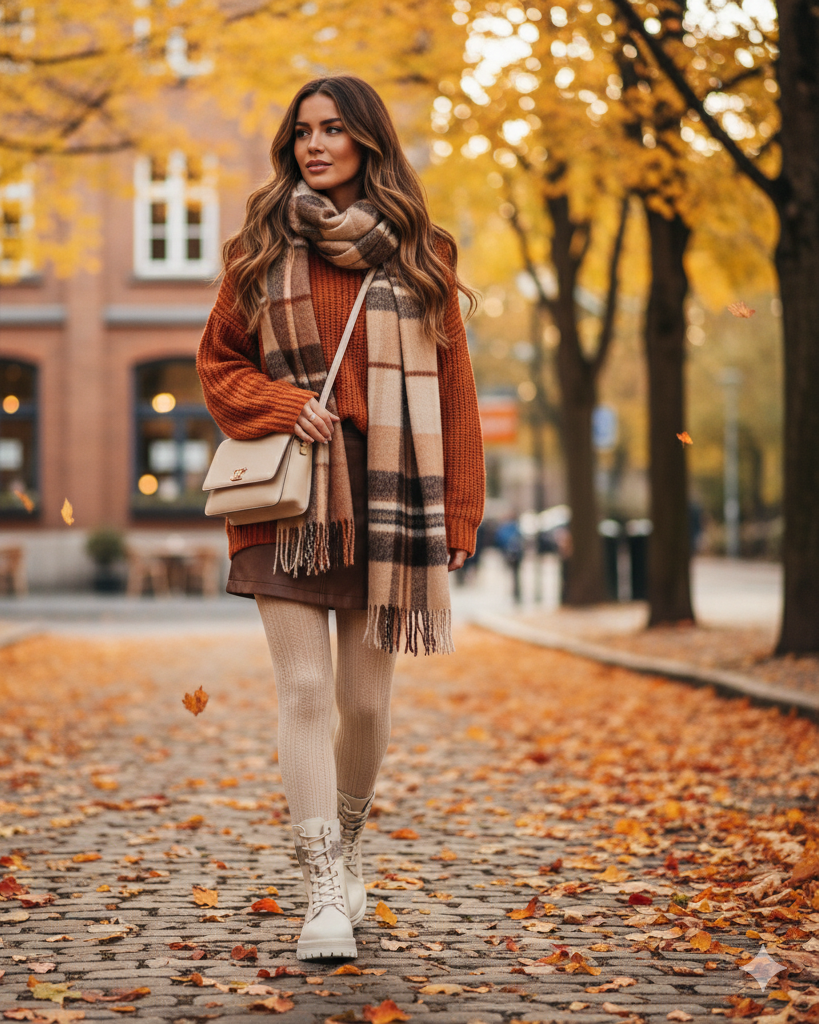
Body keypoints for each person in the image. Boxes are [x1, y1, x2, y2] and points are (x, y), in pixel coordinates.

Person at [197, 75, 485, 961]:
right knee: (307, 691)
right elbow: (216, 365)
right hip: (286, 494)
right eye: (303, 131)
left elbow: (456, 390)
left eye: (332, 130)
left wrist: (462, 514)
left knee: (364, 701)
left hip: (388, 494)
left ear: (368, 140)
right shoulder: (259, 246)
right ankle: (322, 886)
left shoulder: (421, 252)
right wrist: (284, 406)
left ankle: (350, 848)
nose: (313, 145)